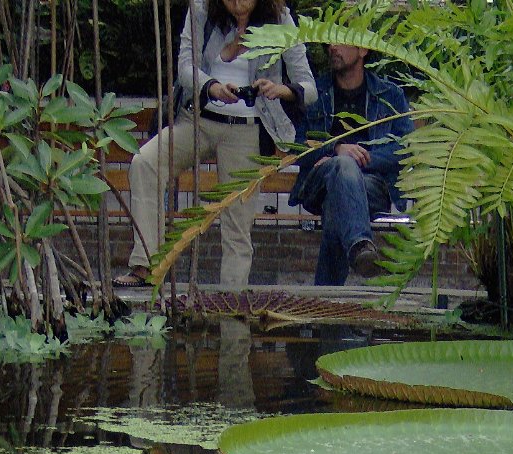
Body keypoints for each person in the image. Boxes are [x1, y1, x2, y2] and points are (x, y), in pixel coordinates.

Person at [114, 0, 316, 291]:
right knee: (144, 163)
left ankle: (231, 299)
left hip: (247, 130)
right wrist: (211, 86)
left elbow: (308, 88)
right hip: (198, 118)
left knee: (237, 225)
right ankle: (145, 266)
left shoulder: (280, 18)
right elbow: (185, 66)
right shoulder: (201, 10)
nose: (237, 3)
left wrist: (280, 90)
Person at [289, 43, 413, 286]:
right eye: (330, 41)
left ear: (363, 50)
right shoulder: (316, 92)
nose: (333, 47)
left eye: (341, 41)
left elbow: (403, 149)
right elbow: (298, 149)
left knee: (339, 197)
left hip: (372, 187)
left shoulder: (390, 95)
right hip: (319, 182)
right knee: (342, 168)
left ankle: (325, 298)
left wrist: (360, 159)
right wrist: (335, 150)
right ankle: (359, 243)